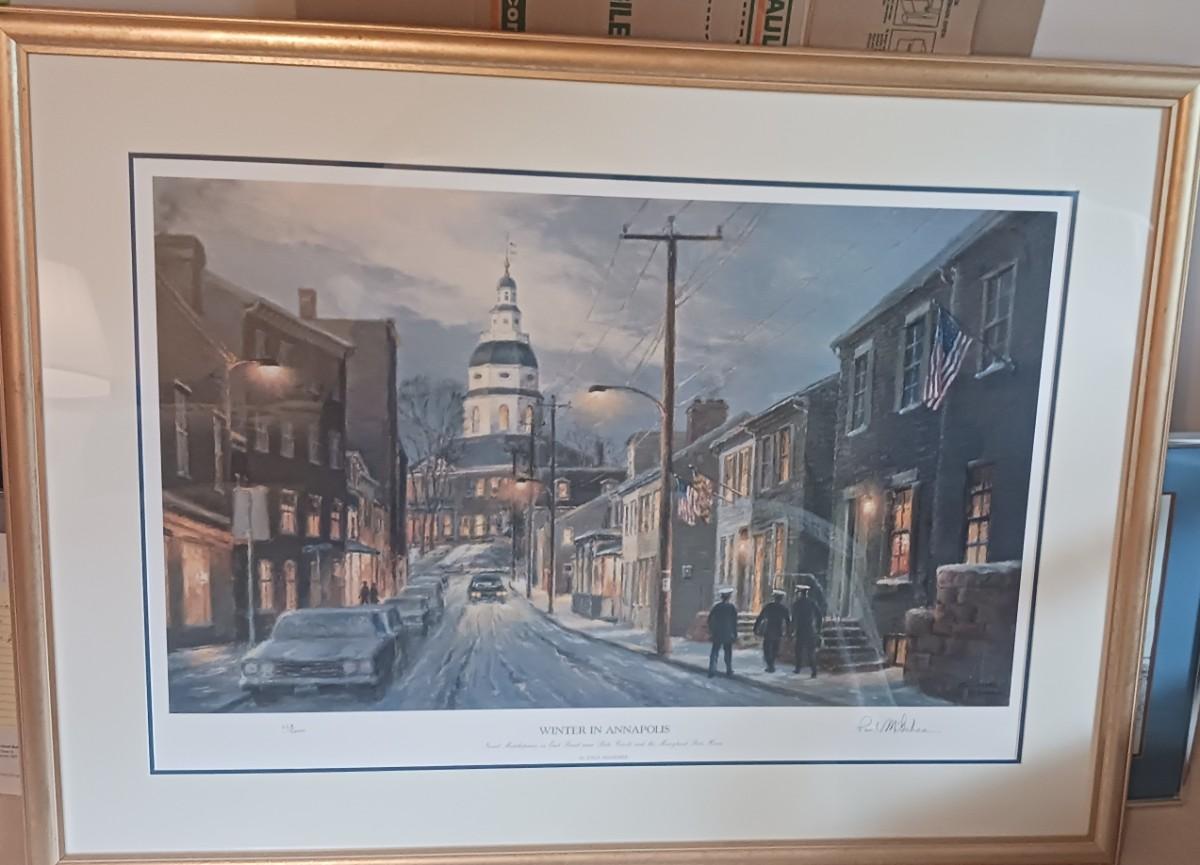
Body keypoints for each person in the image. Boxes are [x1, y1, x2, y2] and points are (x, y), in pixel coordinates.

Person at [753, 589, 791, 672]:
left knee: (766, 648)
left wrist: (755, 628)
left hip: (769, 629)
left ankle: (770, 664)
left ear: (774, 597)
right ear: (781, 599)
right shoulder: (783, 608)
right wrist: (788, 632)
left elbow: (760, 617)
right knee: (775, 648)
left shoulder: (769, 606)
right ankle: (772, 664)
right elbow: (788, 621)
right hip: (778, 630)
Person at [791, 584, 822, 677]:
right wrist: (818, 628)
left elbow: (794, 618)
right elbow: (819, 615)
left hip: (800, 630)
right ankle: (814, 671)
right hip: (810, 629)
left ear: (800, 593)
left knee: (798, 650)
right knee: (810, 651)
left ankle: (798, 668)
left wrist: (792, 630)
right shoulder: (812, 602)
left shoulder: (797, 603)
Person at [707, 587, 739, 678]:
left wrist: (712, 630)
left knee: (715, 652)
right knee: (728, 652)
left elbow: (710, 619)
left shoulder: (717, 607)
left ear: (722, 597)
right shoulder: (732, 607)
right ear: (729, 597)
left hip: (717, 633)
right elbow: (734, 622)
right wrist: (735, 634)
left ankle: (712, 670)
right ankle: (729, 670)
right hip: (728, 633)